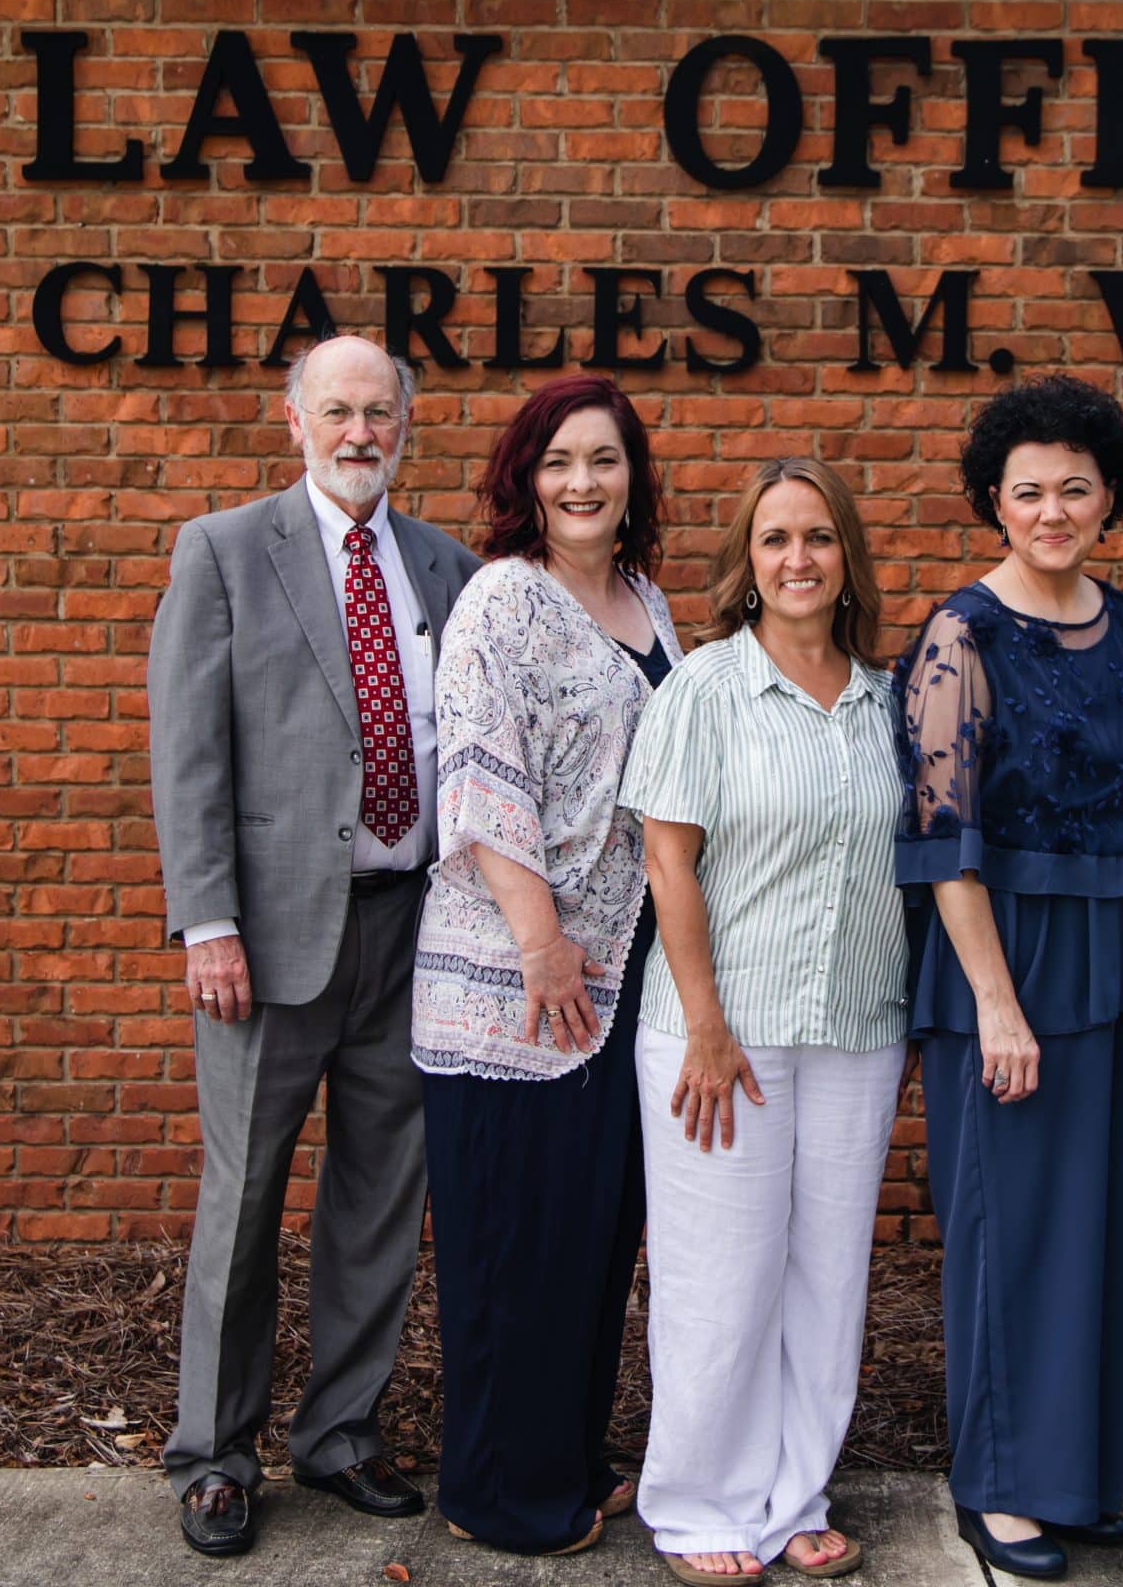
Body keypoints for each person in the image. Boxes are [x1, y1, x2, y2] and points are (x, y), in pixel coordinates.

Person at [145, 334, 480, 1559]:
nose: (358, 433)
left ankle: (340, 1433)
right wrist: (210, 920)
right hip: (269, 939)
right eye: (335, 411)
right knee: (240, 1203)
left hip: (412, 929)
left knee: (380, 1198)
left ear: (404, 426)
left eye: (377, 414)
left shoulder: (447, 566)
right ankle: (215, 1455)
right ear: (292, 421)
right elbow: (189, 750)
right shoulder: (228, 551)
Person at [894, 375, 1123, 1582]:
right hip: (1004, 958)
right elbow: (939, 839)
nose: (1052, 509)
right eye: (1028, 491)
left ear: (1110, 495)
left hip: (1115, 953)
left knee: (1101, 1224)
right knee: (1009, 1227)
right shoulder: (960, 634)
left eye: (1075, 487)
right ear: (993, 503)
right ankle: (1002, 1484)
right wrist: (994, 1001)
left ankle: (1076, 1476)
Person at [618, 458, 908, 1585]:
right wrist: (702, 1021)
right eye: (776, 538)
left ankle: (795, 1495)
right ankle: (697, 1502)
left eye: (819, 538)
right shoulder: (704, 688)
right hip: (720, 1035)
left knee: (826, 1275)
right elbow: (666, 859)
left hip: (855, 1024)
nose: (798, 558)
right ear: (745, 562)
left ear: (847, 563)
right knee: (718, 1274)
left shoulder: (887, 701)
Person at [410, 374, 682, 1558]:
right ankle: (498, 1491)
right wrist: (540, 943)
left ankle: (566, 1455)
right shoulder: (500, 603)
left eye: (604, 460)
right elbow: (478, 779)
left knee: (589, 1231)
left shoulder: (647, 599)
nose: (582, 481)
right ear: (527, 476)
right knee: (512, 1240)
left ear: (633, 481)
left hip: (618, 975)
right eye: (560, 460)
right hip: (513, 979)